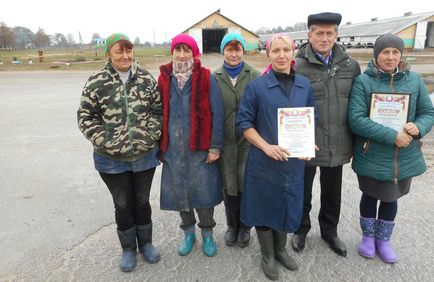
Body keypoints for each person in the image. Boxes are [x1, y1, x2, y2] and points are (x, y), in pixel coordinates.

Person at [77, 33, 162, 272]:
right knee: (123, 204)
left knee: (142, 201)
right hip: (110, 159)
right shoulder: (96, 81)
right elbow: (85, 116)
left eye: (128, 51)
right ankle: (128, 249)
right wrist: (105, 140)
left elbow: (157, 112)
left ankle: (146, 243)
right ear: (109, 54)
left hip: (144, 156)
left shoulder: (146, 78)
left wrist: (149, 136)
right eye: (119, 51)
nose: (125, 56)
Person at [348, 33, 434, 263]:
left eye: (395, 52)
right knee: (370, 194)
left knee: (390, 197)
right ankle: (367, 237)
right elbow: (356, 119)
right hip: (372, 152)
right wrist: (391, 136)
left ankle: (384, 240)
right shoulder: (363, 82)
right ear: (376, 56)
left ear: (401, 55)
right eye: (385, 52)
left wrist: (418, 126)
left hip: (402, 154)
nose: (390, 56)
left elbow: (428, 112)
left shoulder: (414, 80)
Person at [236, 35, 316, 280]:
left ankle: (280, 250)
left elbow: (310, 118)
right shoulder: (257, 87)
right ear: (268, 54)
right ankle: (267, 255)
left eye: (286, 50)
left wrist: (308, 143)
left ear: (293, 53)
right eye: (276, 50)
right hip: (264, 161)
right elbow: (244, 122)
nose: (281, 55)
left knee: (286, 203)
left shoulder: (304, 85)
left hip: (292, 163)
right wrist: (266, 146)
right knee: (263, 207)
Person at [290, 12, 361, 257]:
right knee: (303, 190)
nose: (324, 37)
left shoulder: (350, 65)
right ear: (309, 35)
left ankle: (330, 231)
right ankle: (300, 229)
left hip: (338, 142)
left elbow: (358, 104)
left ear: (336, 35)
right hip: (306, 143)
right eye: (319, 33)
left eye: (329, 33)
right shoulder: (296, 65)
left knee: (333, 191)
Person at [158, 34, 224, 257]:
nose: (182, 54)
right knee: (180, 195)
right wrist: (160, 146)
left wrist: (215, 147)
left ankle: (207, 235)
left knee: (203, 195)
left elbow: (217, 113)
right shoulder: (164, 78)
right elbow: (158, 114)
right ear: (172, 52)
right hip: (173, 150)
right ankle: (188, 234)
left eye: (187, 49)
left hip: (200, 149)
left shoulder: (206, 78)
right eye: (178, 49)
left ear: (195, 53)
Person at [214, 33, 260, 248]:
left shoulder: (255, 76)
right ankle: (232, 226)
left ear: (243, 51)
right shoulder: (214, 77)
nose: (234, 53)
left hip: (248, 143)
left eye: (237, 49)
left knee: (246, 185)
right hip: (224, 144)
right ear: (223, 51)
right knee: (229, 186)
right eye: (229, 49)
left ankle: (245, 227)